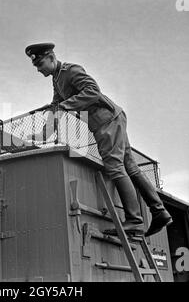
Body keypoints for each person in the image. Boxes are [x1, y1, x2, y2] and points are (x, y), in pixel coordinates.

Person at [25, 42, 172, 236]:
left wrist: (66, 105)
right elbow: (56, 108)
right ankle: (159, 212)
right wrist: (43, 135)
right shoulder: (57, 80)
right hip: (108, 120)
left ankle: (135, 221)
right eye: (36, 66)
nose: (38, 69)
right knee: (131, 167)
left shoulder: (71, 70)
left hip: (106, 120)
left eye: (40, 64)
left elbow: (93, 92)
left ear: (52, 58)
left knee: (115, 167)